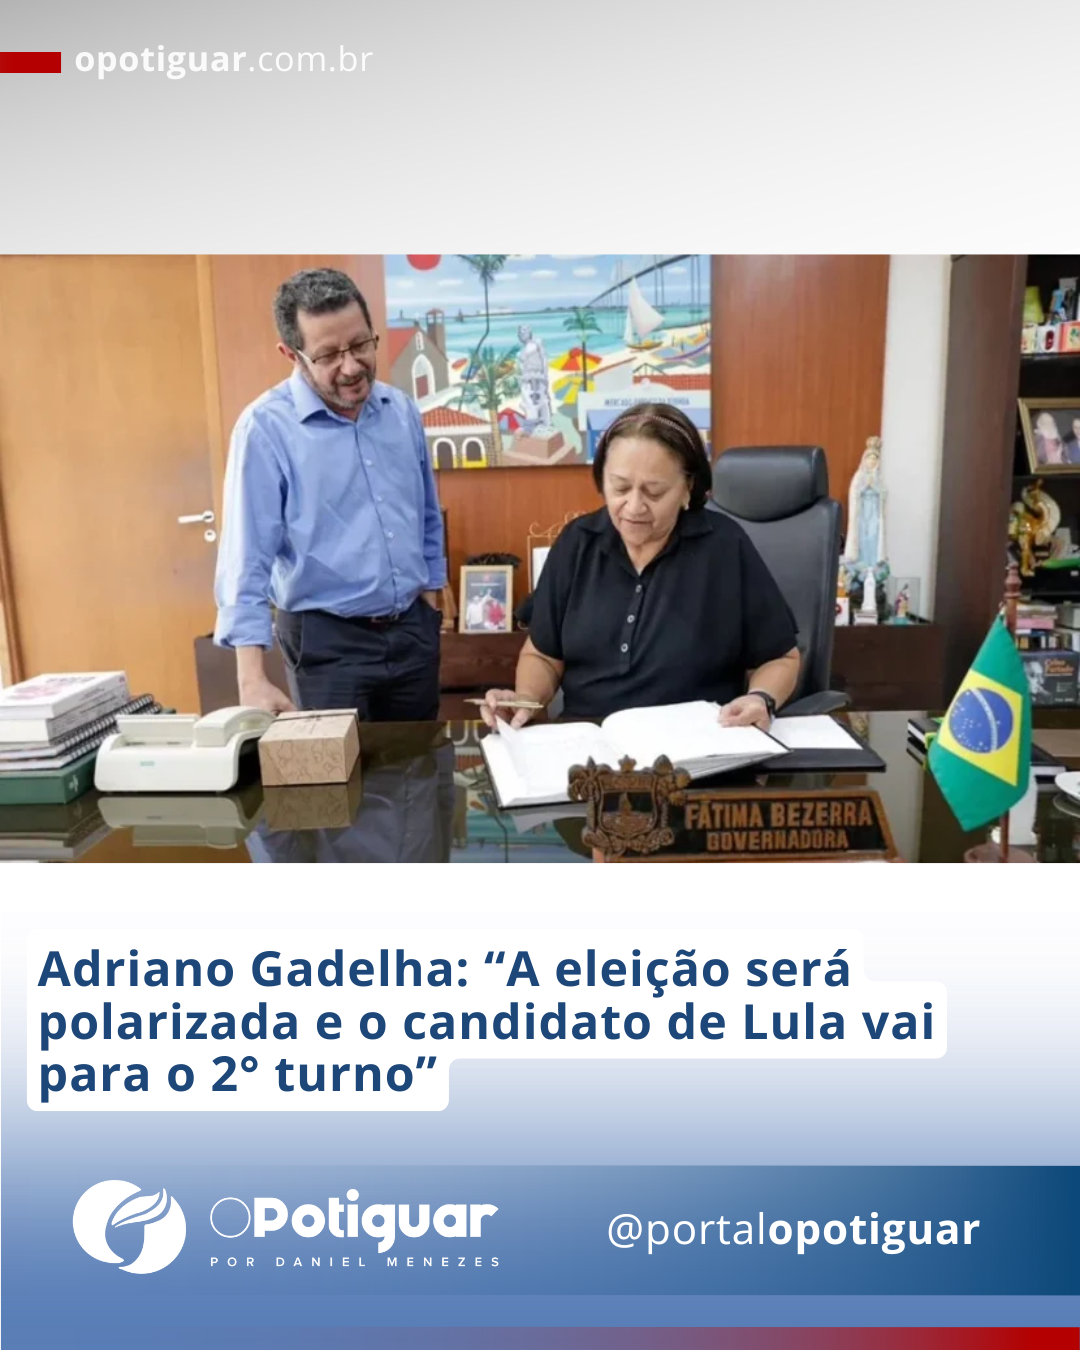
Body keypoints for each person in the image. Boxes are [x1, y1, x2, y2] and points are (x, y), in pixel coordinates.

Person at [480, 402, 800, 732]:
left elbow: (780, 658)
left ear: (687, 487)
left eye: (654, 492)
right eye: (620, 487)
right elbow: (543, 656)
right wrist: (525, 701)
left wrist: (760, 698)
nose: (633, 507)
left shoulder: (724, 547)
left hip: (697, 745)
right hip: (588, 747)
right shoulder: (578, 543)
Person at [214, 269, 447, 720]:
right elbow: (246, 555)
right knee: (339, 766)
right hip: (326, 644)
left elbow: (425, 515)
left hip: (412, 631)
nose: (352, 367)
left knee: (419, 759)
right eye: (328, 355)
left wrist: (430, 603)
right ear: (291, 354)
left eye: (360, 345)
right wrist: (251, 678)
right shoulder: (265, 429)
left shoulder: (400, 411)